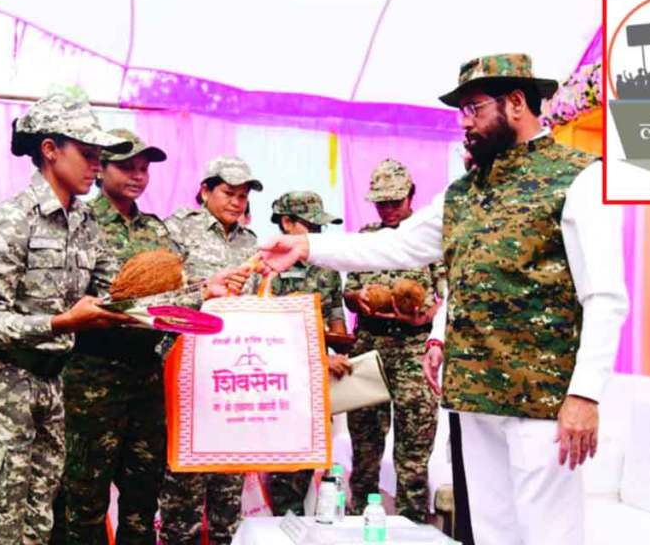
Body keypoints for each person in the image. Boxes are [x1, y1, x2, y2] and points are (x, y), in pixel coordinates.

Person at [257, 53, 627, 545]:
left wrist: (585, 394)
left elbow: (605, 295)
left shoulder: (579, 177)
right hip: (474, 394)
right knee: (494, 531)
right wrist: (308, 246)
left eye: (474, 108)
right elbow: (397, 243)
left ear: (516, 103)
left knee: (548, 534)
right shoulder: (464, 193)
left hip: (542, 399)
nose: (464, 122)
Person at [0, 93, 144, 544]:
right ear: (50, 150)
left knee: (38, 530)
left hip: (50, 392)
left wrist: (202, 291)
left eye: (99, 157)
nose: (97, 166)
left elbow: (122, 294)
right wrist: (60, 324)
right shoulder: (13, 220)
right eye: (88, 154)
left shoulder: (84, 223)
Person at [53, 129, 247, 544]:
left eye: (144, 168)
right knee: (84, 497)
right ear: (100, 166)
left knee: (143, 496)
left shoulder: (157, 230)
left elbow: (172, 295)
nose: (138, 176)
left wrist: (204, 290)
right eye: (127, 166)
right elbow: (65, 299)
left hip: (146, 376)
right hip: (93, 378)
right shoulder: (78, 224)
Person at [158, 155, 262, 545]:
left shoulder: (252, 244)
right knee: (183, 482)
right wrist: (205, 287)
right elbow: (161, 292)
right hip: (186, 366)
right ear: (205, 190)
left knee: (228, 484)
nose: (237, 202)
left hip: (231, 373)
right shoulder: (177, 231)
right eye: (229, 193)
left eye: (244, 196)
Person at [334, 159, 442, 523]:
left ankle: (412, 526)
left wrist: (427, 314)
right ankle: (357, 522)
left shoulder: (429, 237)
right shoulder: (366, 238)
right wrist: (358, 297)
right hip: (369, 348)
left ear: (411, 196)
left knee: (414, 450)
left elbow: (446, 297)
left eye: (396, 201)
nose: (389, 209)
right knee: (364, 447)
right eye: (382, 202)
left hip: (415, 350)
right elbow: (348, 292)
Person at [264, 190, 352, 517]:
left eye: (319, 229)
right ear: (286, 223)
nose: (315, 235)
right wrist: (315, 356)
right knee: (285, 474)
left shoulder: (326, 268)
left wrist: (343, 343)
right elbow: (266, 330)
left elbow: (335, 318)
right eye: (309, 226)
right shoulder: (267, 266)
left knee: (311, 466)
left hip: (317, 385)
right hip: (281, 381)